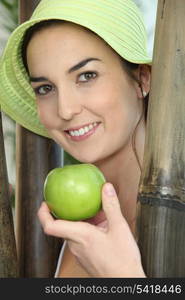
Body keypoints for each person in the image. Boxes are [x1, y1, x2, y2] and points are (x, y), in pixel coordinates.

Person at [0, 0, 152, 277]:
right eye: (45, 88)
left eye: (86, 75)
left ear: (141, 79)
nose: (65, 110)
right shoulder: (84, 231)